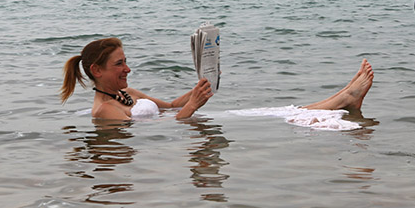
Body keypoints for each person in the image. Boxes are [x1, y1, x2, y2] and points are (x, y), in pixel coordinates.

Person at [60, 37, 374, 120]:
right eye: (119, 64)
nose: (127, 69)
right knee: (276, 116)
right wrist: (192, 108)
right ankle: (345, 99)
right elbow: (170, 123)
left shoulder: (125, 92)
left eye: (126, 61)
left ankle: (345, 96)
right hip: (190, 127)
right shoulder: (104, 110)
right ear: (97, 71)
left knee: (273, 111)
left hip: (192, 121)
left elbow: (169, 107)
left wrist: (199, 88)